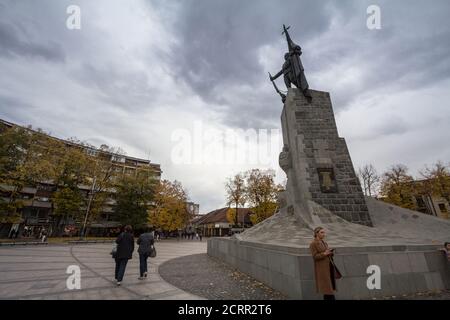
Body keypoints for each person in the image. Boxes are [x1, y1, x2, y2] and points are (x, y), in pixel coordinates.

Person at [309, 227, 337, 300]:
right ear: (316, 233)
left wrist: (330, 252)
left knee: (328, 289)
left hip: (328, 267)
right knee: (327, 289)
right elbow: (315, 256)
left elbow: (326, 253)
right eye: (322, 232)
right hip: (322, 269)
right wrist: (324, 254)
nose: (324, 234)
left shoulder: (324, 242)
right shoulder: (313, 244)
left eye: (324, 232)